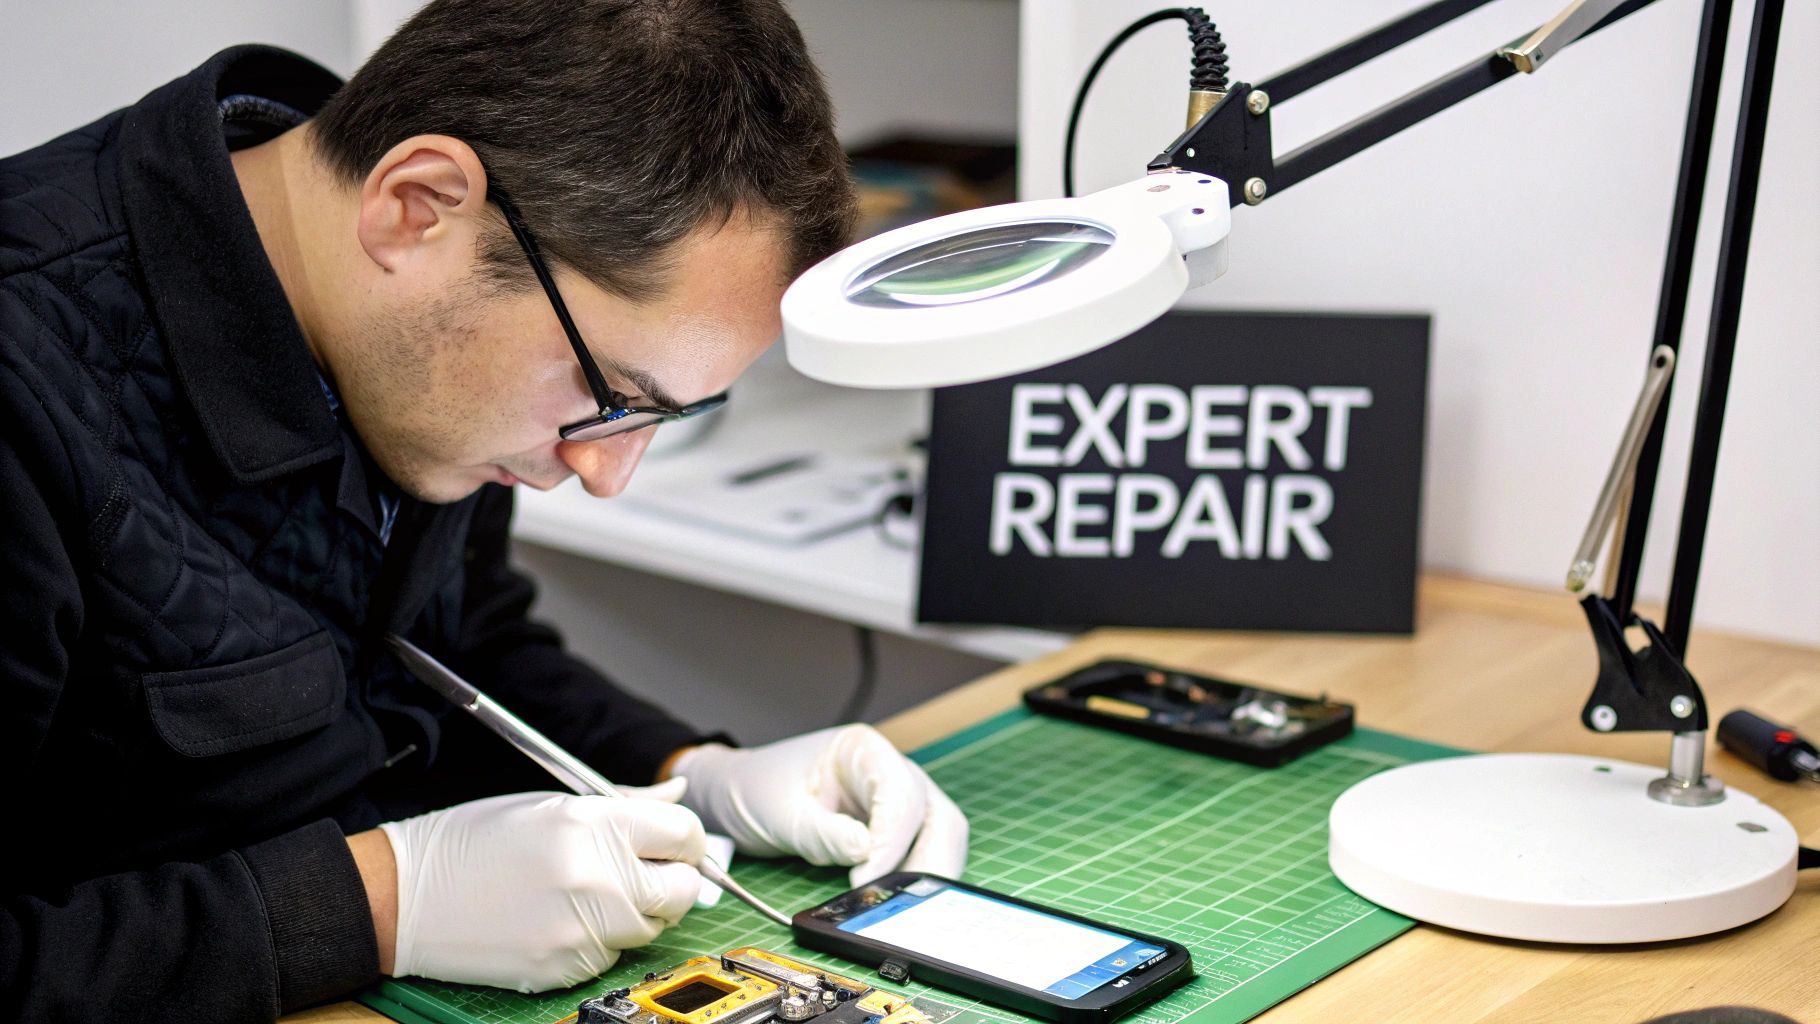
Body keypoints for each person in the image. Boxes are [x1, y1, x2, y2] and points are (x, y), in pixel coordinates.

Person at [0, 1, 967, 1020]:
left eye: (665, 416)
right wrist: (381, 901)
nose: (608, 474)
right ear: (416, 207)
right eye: (611, 397)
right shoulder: (26, 391)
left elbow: (454, 644)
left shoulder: (401, 321)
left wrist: (683, 770)